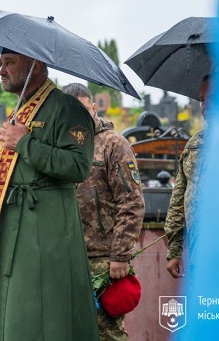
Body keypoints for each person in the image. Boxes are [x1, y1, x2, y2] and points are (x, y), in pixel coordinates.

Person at [0, 48, 100, 341]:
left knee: (40, 317)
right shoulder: (22, 108)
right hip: (12, 231)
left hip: (46, 231)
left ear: (36, 64)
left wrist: (25, 143)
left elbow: (79, 165)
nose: (1, 71)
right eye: (1, 63)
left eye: (9, 63)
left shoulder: (67, 108)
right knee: (14, 315)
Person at [62, 83, 145, 341]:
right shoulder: (59, 147)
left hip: (102, 260)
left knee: (107, 334)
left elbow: (131, 202)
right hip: (65, 257)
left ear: (95, 108)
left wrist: (119, 255)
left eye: (84, 109)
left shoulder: (113, 144)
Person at [164, 74, 211, 279]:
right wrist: (174, 250)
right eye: (202, 100)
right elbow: (178, 199)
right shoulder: (195, 144)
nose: (206, 106)